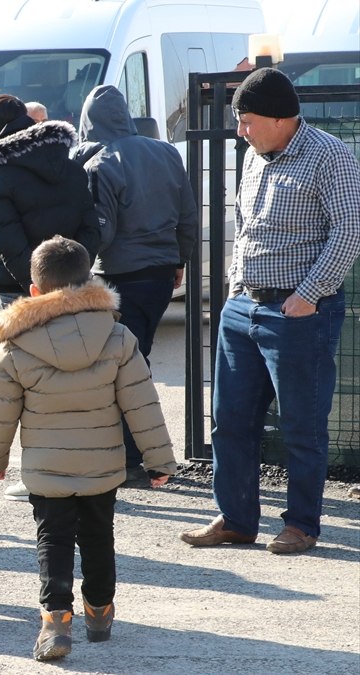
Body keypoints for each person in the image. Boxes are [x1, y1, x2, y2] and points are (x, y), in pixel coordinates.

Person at [180, 67, 360, 555]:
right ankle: (237, 519)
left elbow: (348, 232)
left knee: (302, 425)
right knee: (230, 420)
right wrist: (238, 289)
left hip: (300, 313)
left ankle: (302, 524)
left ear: (281, 118)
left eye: (247, 120)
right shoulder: (257, 155)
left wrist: (308, 295)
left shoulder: (330, 157)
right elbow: (249, 230)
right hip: (243, 309)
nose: (241, 131)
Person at [0, 235, 176, 662]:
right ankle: (100, 611)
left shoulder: (15, 346)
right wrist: (159, 462)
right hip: (102, 465)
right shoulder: (118, 336)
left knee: (53, 539)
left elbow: (0, 414)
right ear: (90, 281)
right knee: (98, 535)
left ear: (34, 291)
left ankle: (55, 621)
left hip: (46, 469)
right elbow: (142, 405)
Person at [0, 93, 101, 502]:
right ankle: (83, 466)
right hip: (73, 283)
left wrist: (37, 289)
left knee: (21, 382)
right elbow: (90, 224)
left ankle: (39, 472)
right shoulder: (67, 162)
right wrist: (72, 276)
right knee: (76, 377)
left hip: (21, 290)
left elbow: (8, 244)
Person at [72, 84, 197, 484]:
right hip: (161, 274)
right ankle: (137, 452)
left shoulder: (101, 164)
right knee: (137, 359)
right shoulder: (166, 151)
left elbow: (102, 233)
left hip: (121, 276)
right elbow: (188, 214)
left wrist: (75, 269)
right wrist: (180, 258)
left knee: (124, 367)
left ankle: (129, 457)